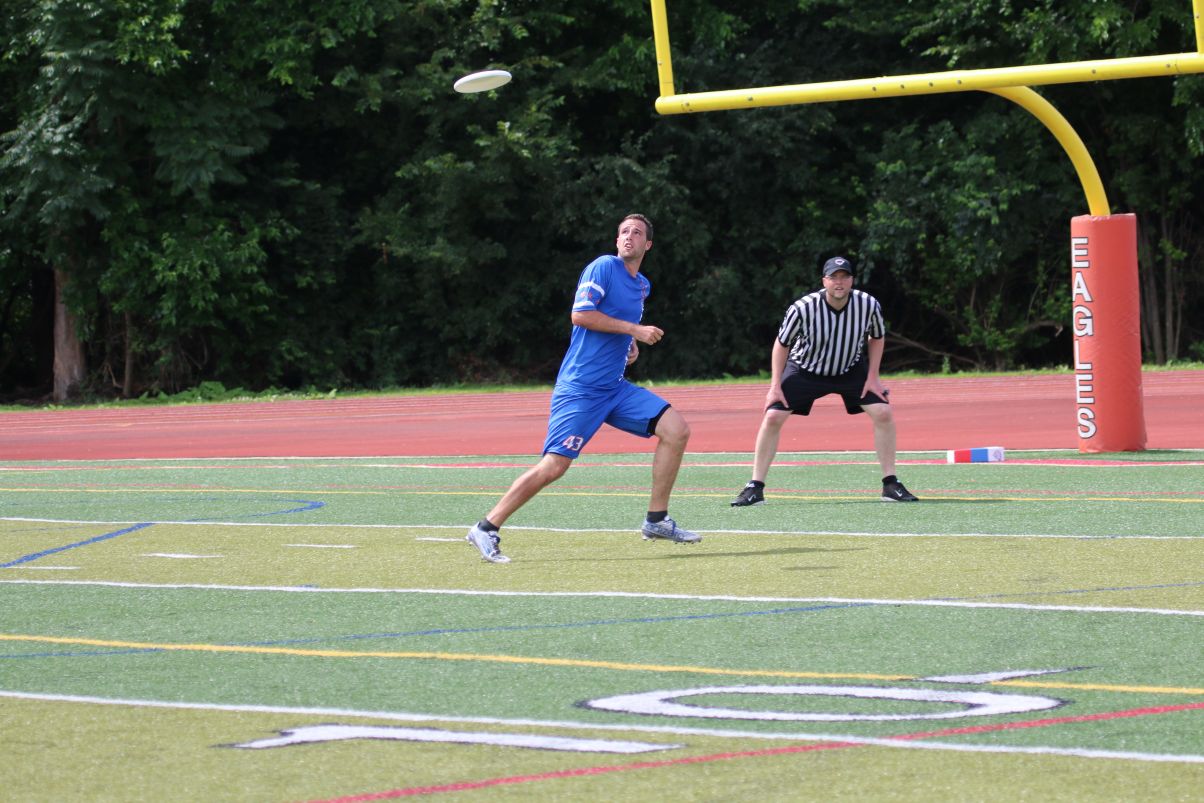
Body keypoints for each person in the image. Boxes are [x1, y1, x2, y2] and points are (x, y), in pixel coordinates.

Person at [466, 213, 701, 563]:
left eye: (637, 233)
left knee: (676, 430)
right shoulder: (603, 267)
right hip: (581, 388)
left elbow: (618, 323)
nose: (629, 236)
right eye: (624, 231)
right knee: (554, 466)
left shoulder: (642, 285)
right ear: (616, 240)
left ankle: (656, 520)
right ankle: (486, 527)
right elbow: (581, 314)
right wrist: (634, 331)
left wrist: (629, 345)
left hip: (615, 389)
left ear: (648, 244)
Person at [731, 255, 918, 507]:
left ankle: (890, 484)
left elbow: (877, 336)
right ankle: (755, 487)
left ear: (852, 280)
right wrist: (775, 385)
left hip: (849, 369)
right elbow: (782, 344)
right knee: (773, 416)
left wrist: (873, 376)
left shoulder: (868, 304)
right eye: (833, 277)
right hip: (806, 369)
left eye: (844, 277)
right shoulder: (803, 308)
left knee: (883, 413)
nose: (839, 282)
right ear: (824, 281)